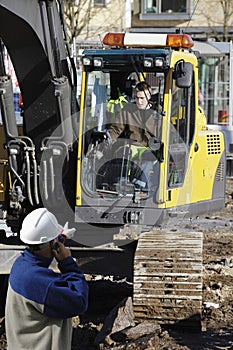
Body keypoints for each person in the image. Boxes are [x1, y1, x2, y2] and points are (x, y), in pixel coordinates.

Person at [5, 207, 89, 350]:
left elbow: (41, 247)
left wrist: (61, 238)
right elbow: (79, 301)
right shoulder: (41, 283)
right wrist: (68, 263)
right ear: (51, 245)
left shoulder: (22, 265)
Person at [107, 81, 162, 193]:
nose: (139, 101)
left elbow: (164, 133)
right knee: (122, 153)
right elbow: (116, 129)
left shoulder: (158, 113)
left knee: (148, 158)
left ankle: (141, 188)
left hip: (150, 148)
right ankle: (119, 184)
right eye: (137, 98)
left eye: (142, 98)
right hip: (131, 146)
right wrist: (108, 139)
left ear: (149, 97)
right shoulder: (128, 110)